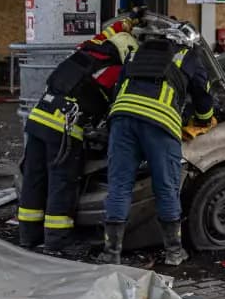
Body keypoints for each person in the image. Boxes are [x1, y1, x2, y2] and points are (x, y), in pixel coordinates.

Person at [17, 13, 139, 253]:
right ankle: (57, 241)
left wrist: (123, 25)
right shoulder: (114, 71)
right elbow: (117, 105)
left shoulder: (84, 52)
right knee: (61, 184)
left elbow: (101, 36)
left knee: (34, 179)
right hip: (63, 129)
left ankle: (28, 236)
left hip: (38, 119)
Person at [99, 22, 216, 266]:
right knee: (166, 187)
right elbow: (203, 97)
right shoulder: (189, 56)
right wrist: (202, 121)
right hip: (159, 124)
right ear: (188, 42)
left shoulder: (137, 52)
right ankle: (174, 253)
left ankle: (111, 254)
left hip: (122, 119)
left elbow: (118, 89)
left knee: (119, 185)